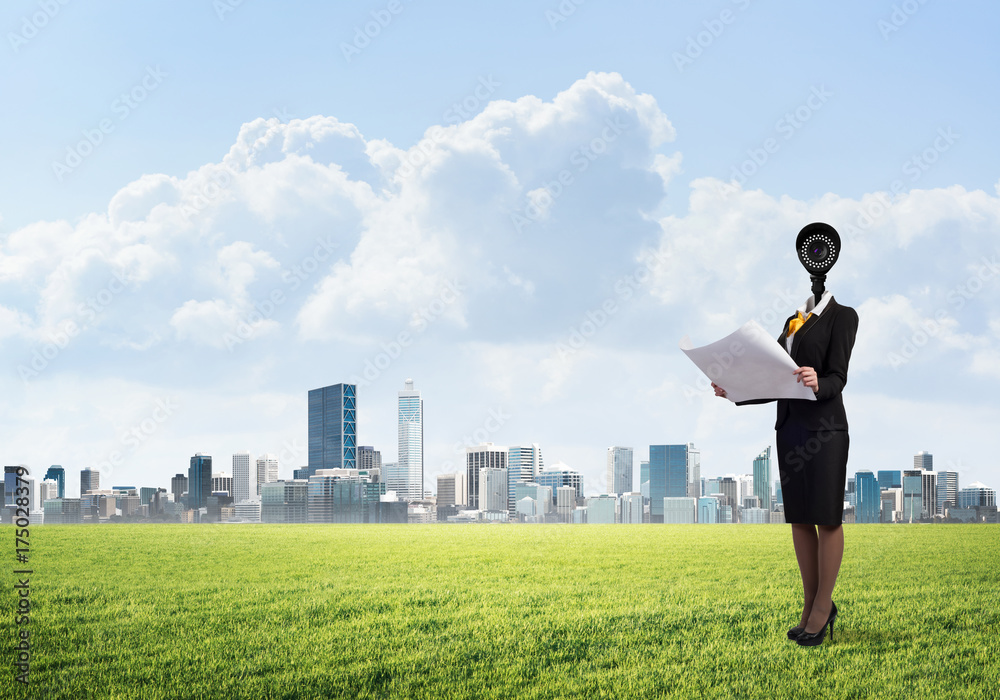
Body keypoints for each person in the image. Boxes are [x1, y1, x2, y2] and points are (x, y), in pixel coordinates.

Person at [712, 288, 858, 647]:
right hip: (790, 429)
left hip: (825, 431)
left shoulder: (844, 316)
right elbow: (775, 380)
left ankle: (824, 607)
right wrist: (734, 392)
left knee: (827, 519)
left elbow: (838, 376)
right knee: (800, 519)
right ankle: (809, 606)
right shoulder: (792, 322)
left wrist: (818, 381)